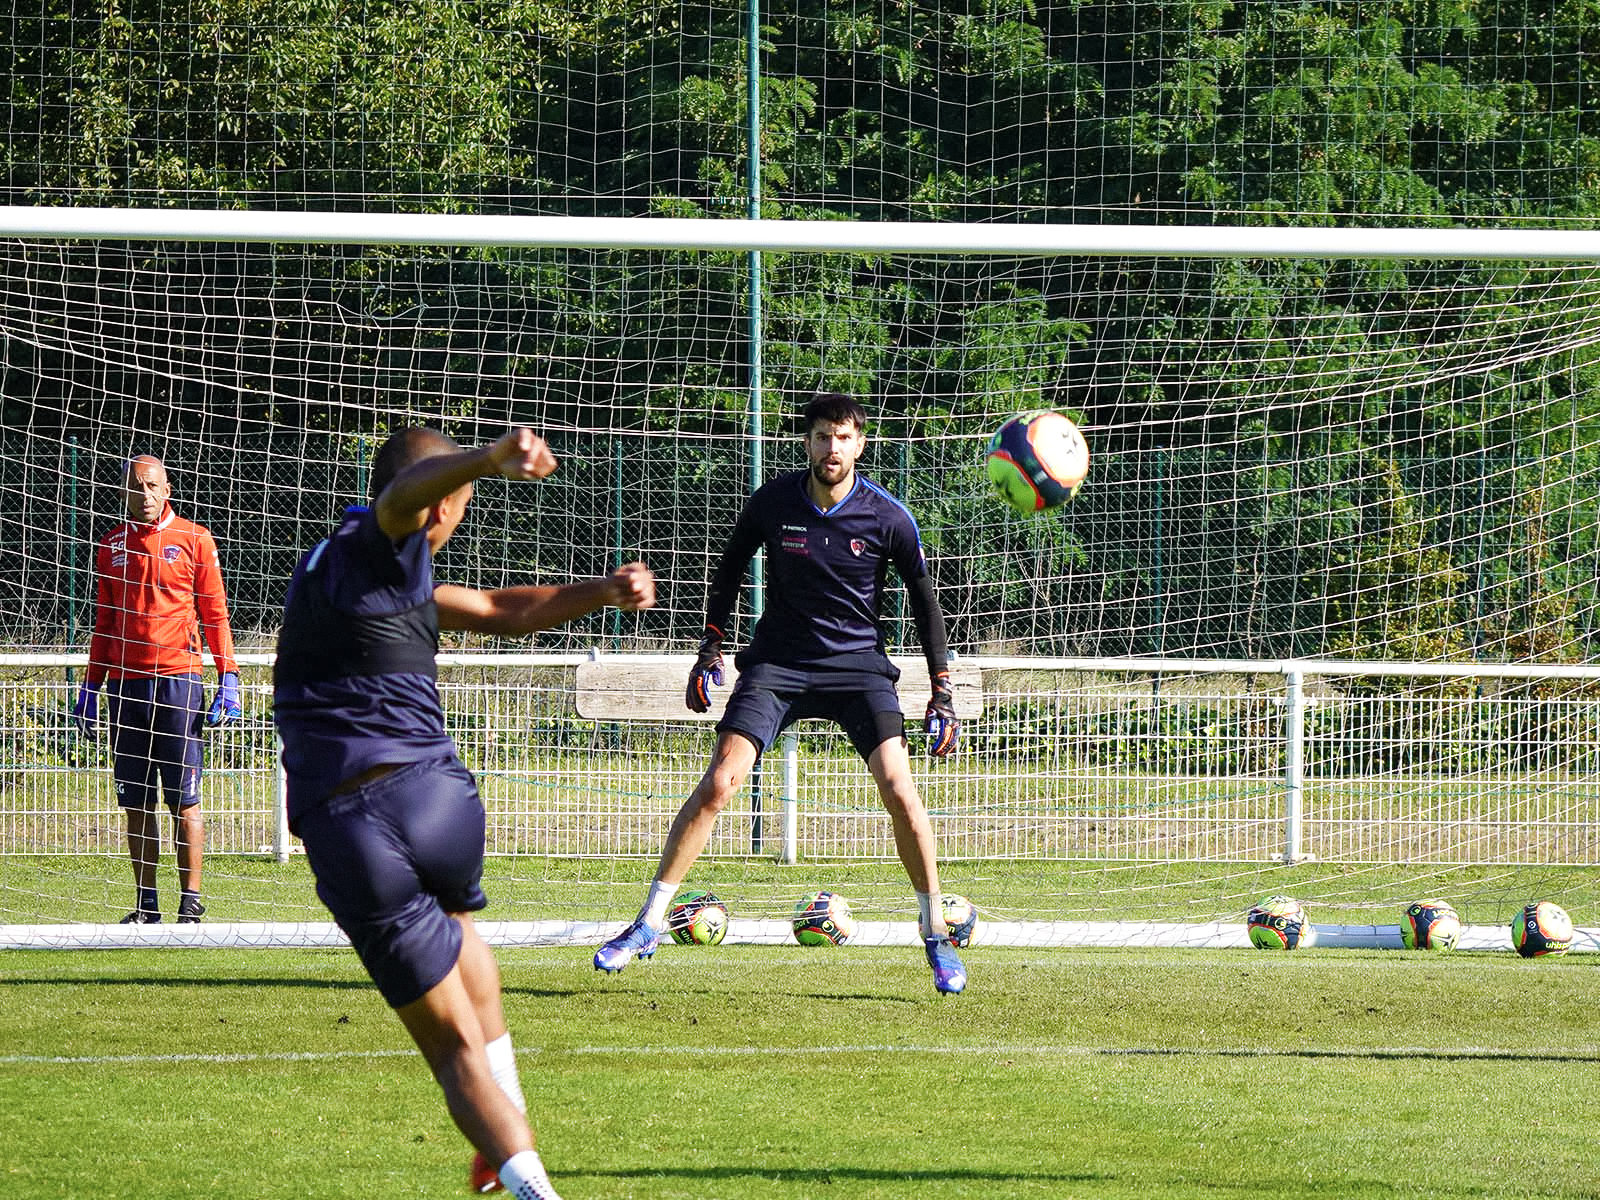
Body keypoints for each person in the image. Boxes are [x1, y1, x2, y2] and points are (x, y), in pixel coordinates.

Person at [273, 425, 655, 1199]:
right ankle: (503, 1124)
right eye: (465, 504)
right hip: (441, 800)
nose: (459, 518)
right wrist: (481, 462)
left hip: (359, 822)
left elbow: (494, 607)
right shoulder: (384, 540)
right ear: (436, 502)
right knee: (460, 927)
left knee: (453, 1057)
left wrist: (599, 592)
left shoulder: (343, 565)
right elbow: (410, 508)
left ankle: (529, 1183)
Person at [594, 392, 969, 994]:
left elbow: (926, 605)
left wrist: (942, 690)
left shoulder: (889, 516)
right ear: (807, 442)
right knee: (720, 782)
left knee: (900, 789)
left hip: (857, 671)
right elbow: (730, 568)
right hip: (778, 666)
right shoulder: (773, 502)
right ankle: (646, 924)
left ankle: (935, 935)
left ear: (860, 443)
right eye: (822, 436)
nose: (832, 448)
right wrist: (710, 647)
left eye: (844, 437)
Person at [75, 454, 240, 925]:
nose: (144, 495)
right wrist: (91, 686)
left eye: (152, 486)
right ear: (124, 492)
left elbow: (214, 613)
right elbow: (104, 623)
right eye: (135, 487)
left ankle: (191, 901)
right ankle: (146, 903)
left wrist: (228, 677)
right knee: (135, 800)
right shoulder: (110, 546)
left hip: (179, 683)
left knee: (184, 797)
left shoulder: (195, 538)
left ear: (167, 489)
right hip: (126, 688)